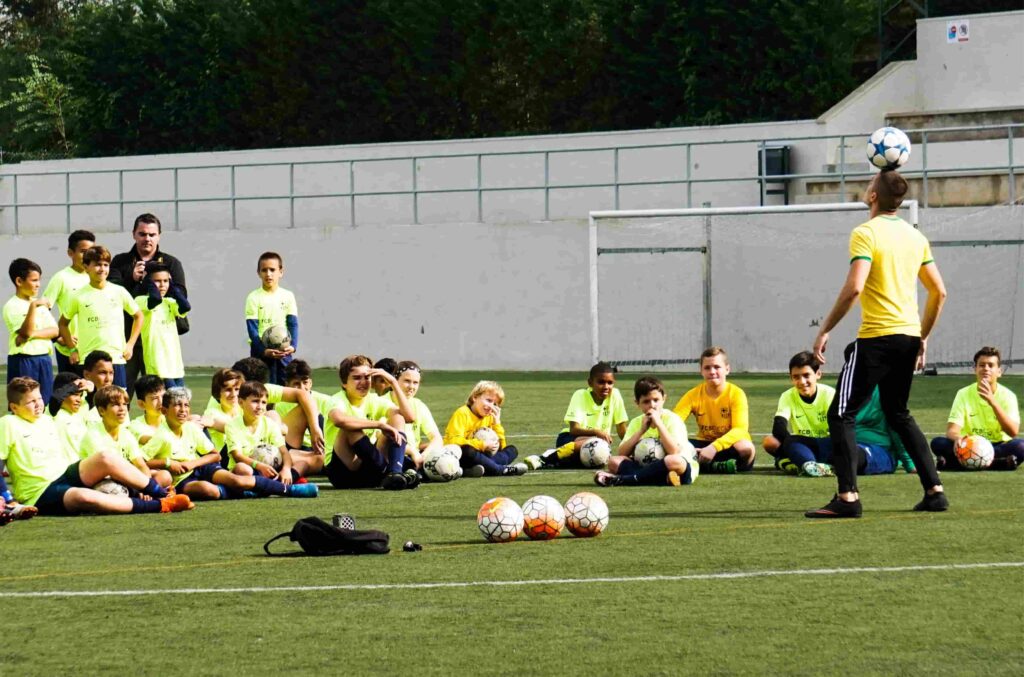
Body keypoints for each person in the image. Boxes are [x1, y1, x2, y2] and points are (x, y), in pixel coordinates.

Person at [806, 169, 947, 518]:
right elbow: (939, 291)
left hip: (877, 338)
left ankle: (848, 498)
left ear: (873, 196)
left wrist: (825, 329)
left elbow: (855, 287)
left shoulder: (865, 233)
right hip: (908, 336)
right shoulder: (916, 237)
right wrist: (922, 336)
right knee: (898, 413)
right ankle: (935, 491)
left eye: (870, 184)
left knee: (841, 413)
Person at [0, 377, 192, 515]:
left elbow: (55, 401)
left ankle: (162, 493)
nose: (37, 405)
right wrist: (7, 498)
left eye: (39, 399)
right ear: (14, 407)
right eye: (30, 402)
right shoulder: (8, 423)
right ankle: (162, 505)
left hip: (65, 474)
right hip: (39, 492)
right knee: (84, 498)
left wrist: (82, 384)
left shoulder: (47, 420)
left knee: (104, 457)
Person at [141, 387, 317, 501]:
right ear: (164, 411)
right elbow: (140, 462)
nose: (183, 410)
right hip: (181, 479)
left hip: (202, 468)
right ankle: (246, 490)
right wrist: (167, 463)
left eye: (186, 405)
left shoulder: (191, 429)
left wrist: (192, 463)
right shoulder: (161, 436)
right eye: (178, 406)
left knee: (237, 480)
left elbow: (215, 455)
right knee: (209, 491)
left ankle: (290, 490)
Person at [109, 213, 188, 398]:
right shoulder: (120, 262)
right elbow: (111, 295)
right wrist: (132, 278)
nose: (147, 239)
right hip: (128, 337)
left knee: (161, 394)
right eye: (142, 234)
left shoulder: (171, 263)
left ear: (159, 235)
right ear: (134, 234)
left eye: (152, 234)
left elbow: (181, 296)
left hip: (160, 339)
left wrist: (155, 281)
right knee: (122, 392)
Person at [317, 354, 420, 490]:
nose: (363, 382)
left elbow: (409, 417)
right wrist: (379, 424)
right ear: (344, 383)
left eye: (367, 377)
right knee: (350, 429)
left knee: (397, 417)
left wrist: (394, 383)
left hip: (369, 467)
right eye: (356, 378)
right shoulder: (336, 400)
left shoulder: (373, 399)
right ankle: (392, 473)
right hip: (342, 474)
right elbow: (339, 420)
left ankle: (394, 473)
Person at [59, 246, 143, 389]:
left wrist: (130, 344)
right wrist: (72, 349)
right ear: (86, 267)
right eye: (97, 265)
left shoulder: (119, 291)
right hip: (88, 360)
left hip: (116, 358)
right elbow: (63, 324)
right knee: (91, 405)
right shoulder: (77, 295)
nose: (102, 269)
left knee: (118, 402)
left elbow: (138, 316)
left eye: (106, 265)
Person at [930, 346, 1022, 471]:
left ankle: (954, 464)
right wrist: (958, 439)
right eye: (982, 365)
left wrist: (992, 401)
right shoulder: (963, 393)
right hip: (968, 444)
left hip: (997, 445)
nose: (986, 369)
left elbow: (1013, 432)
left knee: (1021, 447)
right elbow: (951, 431)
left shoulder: (1008, 396)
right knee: (938, 443)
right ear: (975, 369)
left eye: (991, 365)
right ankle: (1000, 464)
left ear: (999, 371)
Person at [595, 376, 697, 487]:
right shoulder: (636, 422)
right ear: (637, 403)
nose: (652, 405)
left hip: (678, 468)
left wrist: (659, 424)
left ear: (664, 399)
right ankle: (662, 480)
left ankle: (625, 480)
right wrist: (641, 431)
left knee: (673, 460)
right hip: (648, 468)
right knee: (613, 462)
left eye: (656, 400)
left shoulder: (673, 419)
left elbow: (674, 451)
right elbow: (622, 453)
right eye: (646, 401)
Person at [672, 346, 756, 473]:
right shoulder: (692, 395)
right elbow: (673, 422)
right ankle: (717, 466)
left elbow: (740, 430)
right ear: (701, 371)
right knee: (673, 445)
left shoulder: (736, 393)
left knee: (745, 447)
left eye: (717, 367)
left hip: (727, 445)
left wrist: (714, 448)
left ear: (727, 369)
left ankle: (703, 465)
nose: (712, 371)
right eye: (707, 368)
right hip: (703, 444)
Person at [539, 362, 628, 468]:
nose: (606, 387)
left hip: (597, 445)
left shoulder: (615, 395)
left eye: (610, 383)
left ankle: (556, 459)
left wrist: (632, 446)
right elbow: (574, 429)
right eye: (601, 382)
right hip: (570, 439)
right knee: (595, 447)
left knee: (597, 459)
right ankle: (547, 459)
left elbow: (622, 430)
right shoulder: (580, 395)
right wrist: (596, 432)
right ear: (590, 383)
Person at [443, 380, 536, 477]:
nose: (491, 406)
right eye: (488, 400)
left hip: (481, 456)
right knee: (467, 450)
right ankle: (499, 470)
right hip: (458, 457)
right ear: (475, 397)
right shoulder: (462, 413)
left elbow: (501, 448)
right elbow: (453, 442)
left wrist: (497, 423)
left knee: (512, 450)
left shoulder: (490, 417)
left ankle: (470, 471)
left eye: (495, 404)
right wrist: (482, 444)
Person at [79, 385, 166, 485]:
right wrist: (141, 485)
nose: (122, 409)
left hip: (123, 477)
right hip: (102, 481)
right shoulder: (93, 436)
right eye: (115, 405)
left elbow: (141, 465)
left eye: (124, 404)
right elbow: (107, 473)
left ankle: (142, 496)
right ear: (102, 410)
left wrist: (146, 487)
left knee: (164, 476)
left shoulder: (126, 434)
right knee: (112, 489)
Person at [5, 258, 58, 403]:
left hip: (44, 360)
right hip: (24, 360)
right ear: (19, 281)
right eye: (34, 280)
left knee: (44, 402)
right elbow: (25, 332)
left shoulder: (40, 303)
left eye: (39, 280)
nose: (38, 284)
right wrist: (33, 306)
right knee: (24, 403)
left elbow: (54, 331)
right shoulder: (12, 306)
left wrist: (32, 335)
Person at [42, 229, 95, 374]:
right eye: (83, 251)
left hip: (94, 347)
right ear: (70, 253)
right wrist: (58, 337)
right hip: (69, 350)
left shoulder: (97, 277)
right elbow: (42, 311)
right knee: (70, 394)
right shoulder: (61, 278)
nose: (87, 256)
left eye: (91, 251)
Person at [225, 381, 295, 484]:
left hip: (269, 469)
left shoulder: (270, 424)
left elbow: (284, 452)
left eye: (263, 402)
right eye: (255, 401)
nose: (260, 406)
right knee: (244, 469)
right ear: (241, 402)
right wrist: (259, 466)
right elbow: (237, 456)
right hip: (247, 470)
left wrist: (286, 469)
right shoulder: (232, 425)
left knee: (295, 460)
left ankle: (264, 485)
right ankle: (276, 486)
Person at [134, 262, 190, 388]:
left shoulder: (170, 302)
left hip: (175, 365)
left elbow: (186, 306)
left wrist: (173, 286)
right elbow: (155, 299)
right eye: (157, 281)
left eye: (165, 281)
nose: (162, 285)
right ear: (149, 281)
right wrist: (146, 280)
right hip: (158, 366)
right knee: (169, 403)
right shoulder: (141, 301)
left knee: (179, 402)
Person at [244, 252, 297, 385]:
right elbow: (252, 329)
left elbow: (293, 324)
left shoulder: (288, 296)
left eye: (272, 270)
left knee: (284, 390)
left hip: (283, 353)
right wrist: (264, 350)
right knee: (261, 391)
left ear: (281, 272)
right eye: (264, 270)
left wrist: (293, 346)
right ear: (258, 273)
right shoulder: (253, 297)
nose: (268, 274)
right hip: (261, 353)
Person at [49, 371, 92, 453]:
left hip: (82, 463)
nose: (79, 400)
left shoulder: (81, 411)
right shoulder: (52, 412)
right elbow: (56, 398)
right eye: (75, 394)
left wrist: (91, 391)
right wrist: (74, 385)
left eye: (80, 395)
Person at [128, 374, 166, 445]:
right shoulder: (135, 426)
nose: (161, 402)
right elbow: (153, 442)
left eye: (163, 396)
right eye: (154, 398)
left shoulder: (172, 421)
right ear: (141, 404)